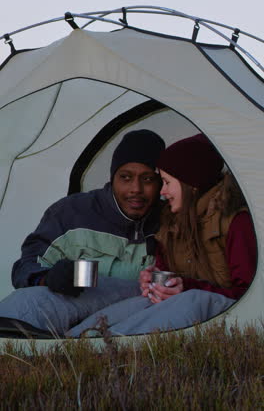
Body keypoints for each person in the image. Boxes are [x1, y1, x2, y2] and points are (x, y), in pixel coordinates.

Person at [66, 133, 256, 337]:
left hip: (229, 313)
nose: (162, 191)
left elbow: (251, 295)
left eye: (166, 182)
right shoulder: (171, 223)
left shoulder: (235, 222)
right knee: (142, 301)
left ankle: (112, 347)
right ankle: (76, 340)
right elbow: (166, 271)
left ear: (190, 183)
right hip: (185, 304)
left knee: (194, 300)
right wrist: (153, 279)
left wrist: (186, 287)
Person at [0, 129, 165, 336]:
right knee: (24, 305)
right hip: (70, 312)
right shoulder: (71, 213)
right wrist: (47, 278)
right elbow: (25, 268)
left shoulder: (172, 221)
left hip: (136, 322)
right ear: (112, 177)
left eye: (148, 179)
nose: (135, 189)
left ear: (161, 184)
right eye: (125, 177)